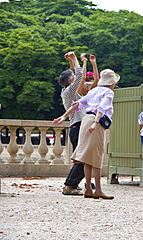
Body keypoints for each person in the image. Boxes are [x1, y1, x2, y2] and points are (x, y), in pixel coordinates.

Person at [54, 68, 120, 200]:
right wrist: (96, 123)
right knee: (96, 156)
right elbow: (101, 107)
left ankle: (89, 189)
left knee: (87, 157)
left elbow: (78, 104)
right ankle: (98, 190)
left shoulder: (94, 90)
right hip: (96, 121)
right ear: (112, 83)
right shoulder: (108, 92)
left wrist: (63, 116)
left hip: (85, 120)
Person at [58, 51, 86, 196]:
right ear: (70, 82)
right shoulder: (69, 92)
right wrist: (75, 58)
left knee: (80, 158)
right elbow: (80, 75)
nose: (75, 79)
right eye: (72, 78)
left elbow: (76, 74)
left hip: (78, 127)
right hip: (78, 127)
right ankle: (69, 185)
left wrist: (71, 61)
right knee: (83, 158)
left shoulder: (69, 93)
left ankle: (72, 184)